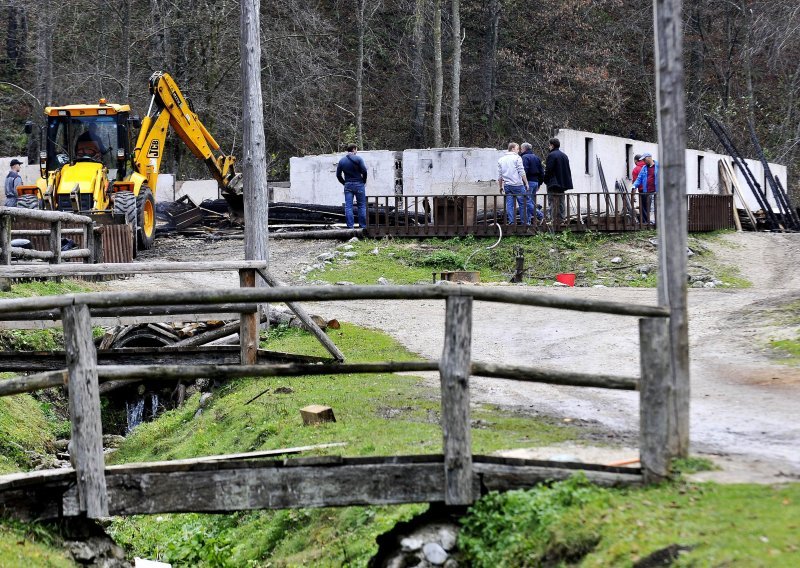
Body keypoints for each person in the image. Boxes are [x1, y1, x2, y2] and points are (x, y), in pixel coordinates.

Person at [336, 143, 368, 229]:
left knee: (348, 207)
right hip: (359, 184)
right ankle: (363, 227)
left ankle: (350, 227)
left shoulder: (342, 161)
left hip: (348, 185)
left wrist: (344, 183)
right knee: (361, 206)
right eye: (356, 149)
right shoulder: (359, 159)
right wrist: (363, 181)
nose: (356, 151)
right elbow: (364, 171)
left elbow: (338, 175)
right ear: (354, 149)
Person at [497, 142, 529, 225]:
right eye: (517, 149)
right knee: (522, 204)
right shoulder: (517, 158)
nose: (518, 151)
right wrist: (526, 183)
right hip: (517, 184)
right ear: (513, 149)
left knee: (510, 205)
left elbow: (500, 176)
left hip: (507, 185)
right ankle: (524, 223)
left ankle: (511, 222)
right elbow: (521, 171)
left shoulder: (501, 159)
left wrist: (500, 187)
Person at [543, 138, 573, 221]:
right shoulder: (564, 155)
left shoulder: (551, 155)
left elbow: (549, 169)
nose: (549, 147)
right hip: (562, 183)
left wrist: (545, 180)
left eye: (549, 145)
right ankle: (562, 219)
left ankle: (553, 219)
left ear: (552, 145)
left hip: (553, 182)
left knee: (552, 201)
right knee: (561, 201)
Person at [631, 152, 658, 225]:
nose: (643, 161)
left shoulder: (659, 166)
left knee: (656, 207)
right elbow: (639, 179)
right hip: (647, 191)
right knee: (648, 208)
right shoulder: (644, 168)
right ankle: (649, 223)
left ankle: (658, 223)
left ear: (649, 158)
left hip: (657, 191)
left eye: (644, 159)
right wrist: (634, 186)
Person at [520, 142, 544, 223]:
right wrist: (539, 183)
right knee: (530, 201)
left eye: (521, 148)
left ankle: (539, 216)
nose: (520, 150)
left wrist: (523, 182)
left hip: (528, 182)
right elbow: (541, 172)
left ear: (524, 149)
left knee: (526, 202)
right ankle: (529, 222)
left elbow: (524, 171)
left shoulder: (524, 157)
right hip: (535, 182)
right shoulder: (536, 157)